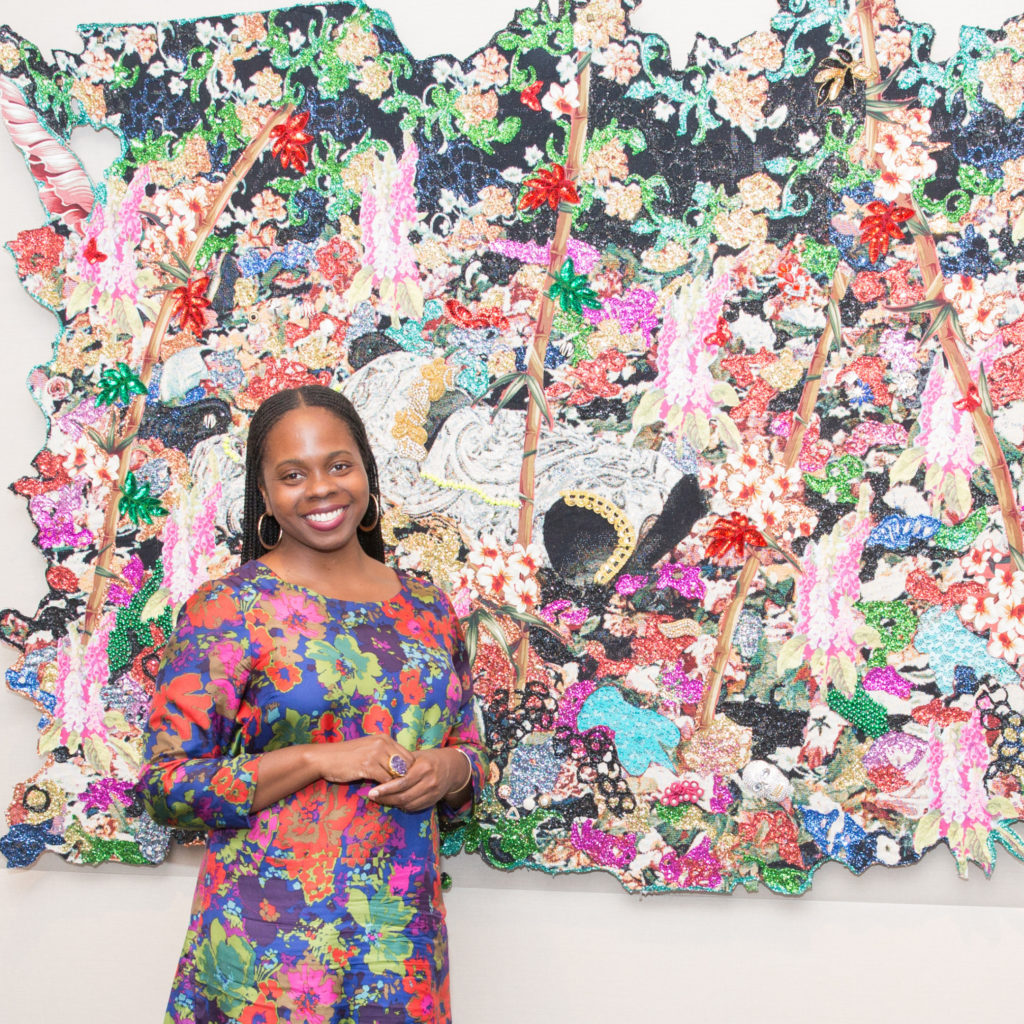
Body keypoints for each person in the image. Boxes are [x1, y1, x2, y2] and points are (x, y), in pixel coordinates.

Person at [139, 384, 487, 1024]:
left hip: (399, 949)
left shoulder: (430, 608)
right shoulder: (228, 608)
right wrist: (319, 758)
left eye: (339, 464)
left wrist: (452, 770)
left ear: (366, 472)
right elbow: (166, 788)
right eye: (292, 474)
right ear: (265, 495)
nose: (322, 488)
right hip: (265, 955)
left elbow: (469, 754)